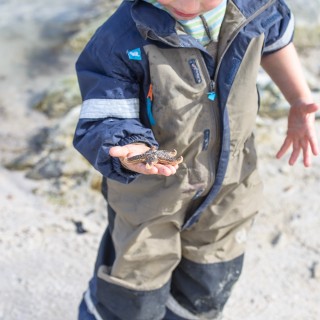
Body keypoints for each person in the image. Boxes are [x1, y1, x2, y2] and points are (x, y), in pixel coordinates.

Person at [73, 0, 319, 319]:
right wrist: (127, 145)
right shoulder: (120, 39)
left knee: (208, 283)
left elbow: (274, 39)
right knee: (133, 289)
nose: (185, 3)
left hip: (231, 183)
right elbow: (103, 113)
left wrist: (299, 99)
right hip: (150, 194)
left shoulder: (257, 7)